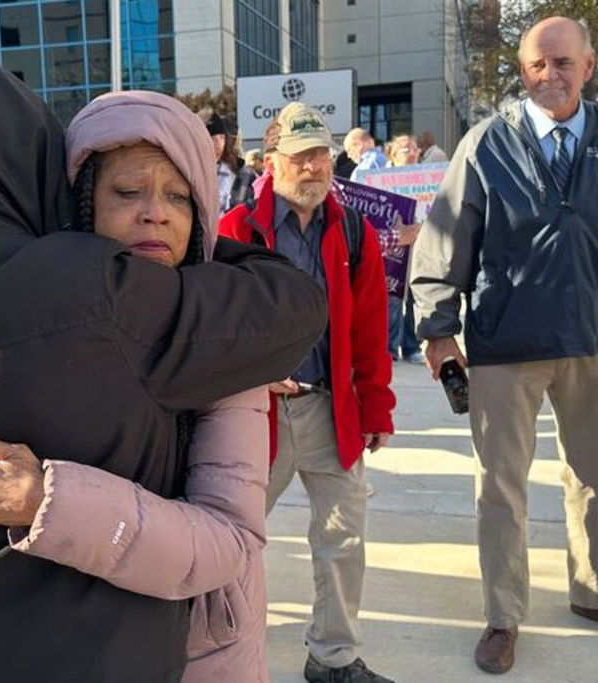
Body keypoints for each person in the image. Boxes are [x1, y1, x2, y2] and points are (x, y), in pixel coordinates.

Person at [0, 37, 327, 683]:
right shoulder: (103, 289)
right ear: (49, 174)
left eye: (183, 197)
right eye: (127, 190)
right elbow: (294, 302)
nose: (155, 212)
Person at [410, 16, 598, 675]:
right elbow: (442, 242)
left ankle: (591, 587)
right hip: (503, 346)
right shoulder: (486, 144)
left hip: (591, 341)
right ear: (523, 71)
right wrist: (437, 328)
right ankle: (503, 615)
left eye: (562, 63)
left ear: (588, 66)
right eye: (537, 65)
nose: (549, 75)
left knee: (594, 478)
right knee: (501, 488)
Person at [220, 103, 396, 683]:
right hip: (254, 413)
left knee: (343, 539)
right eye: (300, 156)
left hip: (329, 408)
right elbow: (216, 327)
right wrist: (250, 371)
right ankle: (216, 646)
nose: (315, 166)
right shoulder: (234, 229)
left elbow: (370, 329)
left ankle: (334, 658)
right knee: (231, 540)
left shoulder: (353, 230)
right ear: (272, 162)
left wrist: (376, 408)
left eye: (322, 153)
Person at [384, 134, 424, 364]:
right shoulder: (381, 178)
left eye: (415, 148)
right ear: (393, 153)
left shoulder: (426, 177)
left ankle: (412, 345)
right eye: (405, 149)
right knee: (392, 298)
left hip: (420, 244)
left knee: (416, 298)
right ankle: (389, 348)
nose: (411, 152)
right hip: (392, 246)